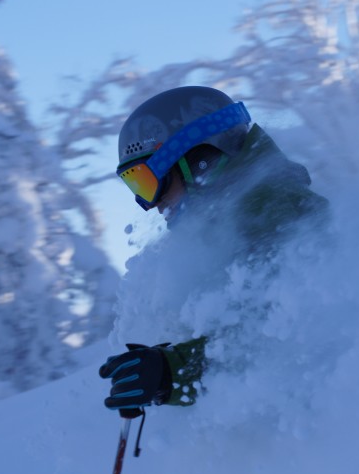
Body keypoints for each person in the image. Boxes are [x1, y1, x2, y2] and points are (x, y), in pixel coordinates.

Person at [99, 86, 329, 417]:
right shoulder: (241, 220)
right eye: (135, 187)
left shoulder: (276, 208)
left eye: (146, 181)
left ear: (199, 159)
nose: (150, 204)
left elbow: (287, 339)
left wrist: (171, 372)